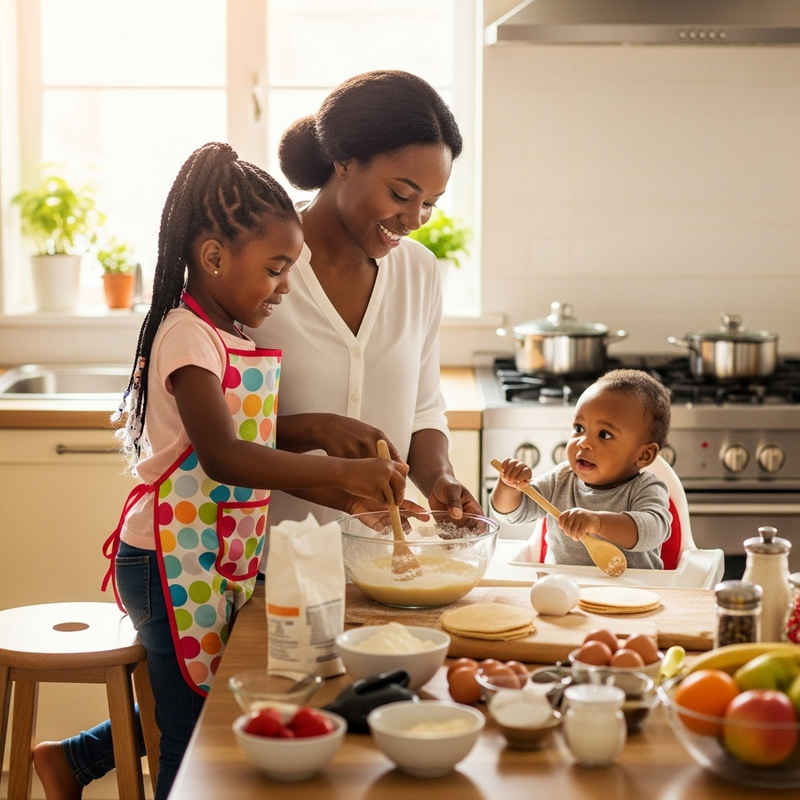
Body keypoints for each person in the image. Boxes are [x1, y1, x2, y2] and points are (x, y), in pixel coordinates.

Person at [32, 142, 407, 800]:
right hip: (167, 560)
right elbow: (223, 455)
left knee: (197, 696)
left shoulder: (225, 329)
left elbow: (247, 439)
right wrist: (335, 477)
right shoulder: (186, 333)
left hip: (211, 552)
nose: (285, 287)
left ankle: (71, 761)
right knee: (190, 728)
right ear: (212, 257)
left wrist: (324, 436)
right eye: (276, 268)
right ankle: (84, 763)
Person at [247, 69, 483, 533]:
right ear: (344, 162)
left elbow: (422, 409)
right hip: (262, 564)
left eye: (430, 203)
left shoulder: (418, 271)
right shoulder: (257, 265)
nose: (415, 219)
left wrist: (439, 478)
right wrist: (316, 429)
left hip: (380, 566)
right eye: (401, 194)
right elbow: (220, 430)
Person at [491, 369, 672, 569]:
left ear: (644, 455)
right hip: (564, 591)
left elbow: (652, 531)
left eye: (604, 434)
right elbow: (513, 513)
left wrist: (597, 522)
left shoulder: (646, 487)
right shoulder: (560, 480)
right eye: (579, 428)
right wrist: (509, 486)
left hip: (631, 594)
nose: (583, 442)